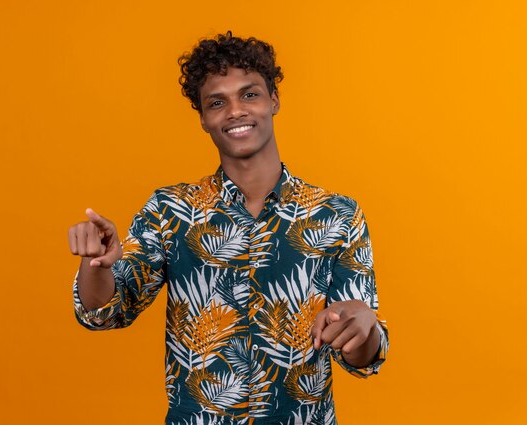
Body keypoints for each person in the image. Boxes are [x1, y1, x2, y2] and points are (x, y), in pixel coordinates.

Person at [68, 31, 388, 425]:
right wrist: (95, 263)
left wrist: (365, 327)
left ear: (274, 100)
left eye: (249, 94)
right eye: (217, 102)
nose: (235, 111)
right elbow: (106, 312)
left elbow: (361, 357)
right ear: (203, 118)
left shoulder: (337, 215)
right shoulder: (172, 210)